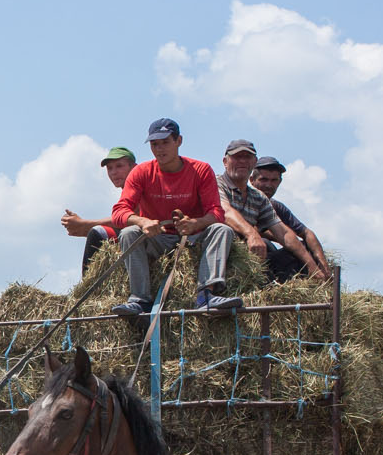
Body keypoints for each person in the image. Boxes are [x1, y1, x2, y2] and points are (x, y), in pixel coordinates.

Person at [108, 118, 238, 320]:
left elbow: (217, 212)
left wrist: (196, 223)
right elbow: (119, 212)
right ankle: (140, 300)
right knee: (128, 233)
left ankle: (207, 295)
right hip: (158, 239)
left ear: (179, 141)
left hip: (194, 239)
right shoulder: (141, 172)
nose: (159, 149)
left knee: (223, 230)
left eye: (165, 142)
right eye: (154, 144)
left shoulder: (201, 170)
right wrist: (143, 222)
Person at [214, 140, 327, 283]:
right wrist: (252, 234)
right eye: (237, 157)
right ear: (225, 161)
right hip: (225, 254)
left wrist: (312, 266)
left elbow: (283, 232)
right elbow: (226, 212)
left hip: (251, 257)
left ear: (254, 162)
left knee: (301, 250)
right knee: (261, 242)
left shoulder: (258, 197)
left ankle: (287, 292)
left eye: (247, 157)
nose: (242, 161)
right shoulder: (215, 184)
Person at [249, 156, 333, 281]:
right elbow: (252, 229)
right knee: (265, 244)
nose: (268, 185)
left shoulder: (276, 206)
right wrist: (284, 238)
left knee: (305, 247)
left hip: (272, 261)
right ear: (252, 180)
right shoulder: (244, 201)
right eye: (264, 179)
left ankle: (308, 283)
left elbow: (307, 233)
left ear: (279, 182)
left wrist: (324, 267)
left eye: (273, 180)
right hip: (251, 260)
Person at [61, 147, 136, 274]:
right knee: (96, 233)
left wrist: (85, 224)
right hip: (131, 236)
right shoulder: (125, 192)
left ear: (134, 167)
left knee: (97, 232)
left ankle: (86, 289)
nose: (114, 172)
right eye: (109, 168)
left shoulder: (138, 187)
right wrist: (82, 228)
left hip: (142, 238)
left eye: (119, 166)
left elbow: (129, 219)